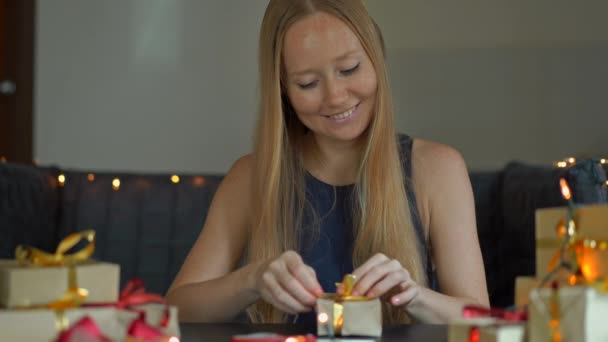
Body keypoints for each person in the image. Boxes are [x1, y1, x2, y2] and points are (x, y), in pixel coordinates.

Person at [166, 0, 489, 324]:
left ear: (377, 60)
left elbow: (484, 320)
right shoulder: (251, 176)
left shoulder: (437, 168)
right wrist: (252, 280)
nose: (335, 96)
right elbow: (175, 310)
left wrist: (415, 296)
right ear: (283, 90)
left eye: (349, 69)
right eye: (308, 83)